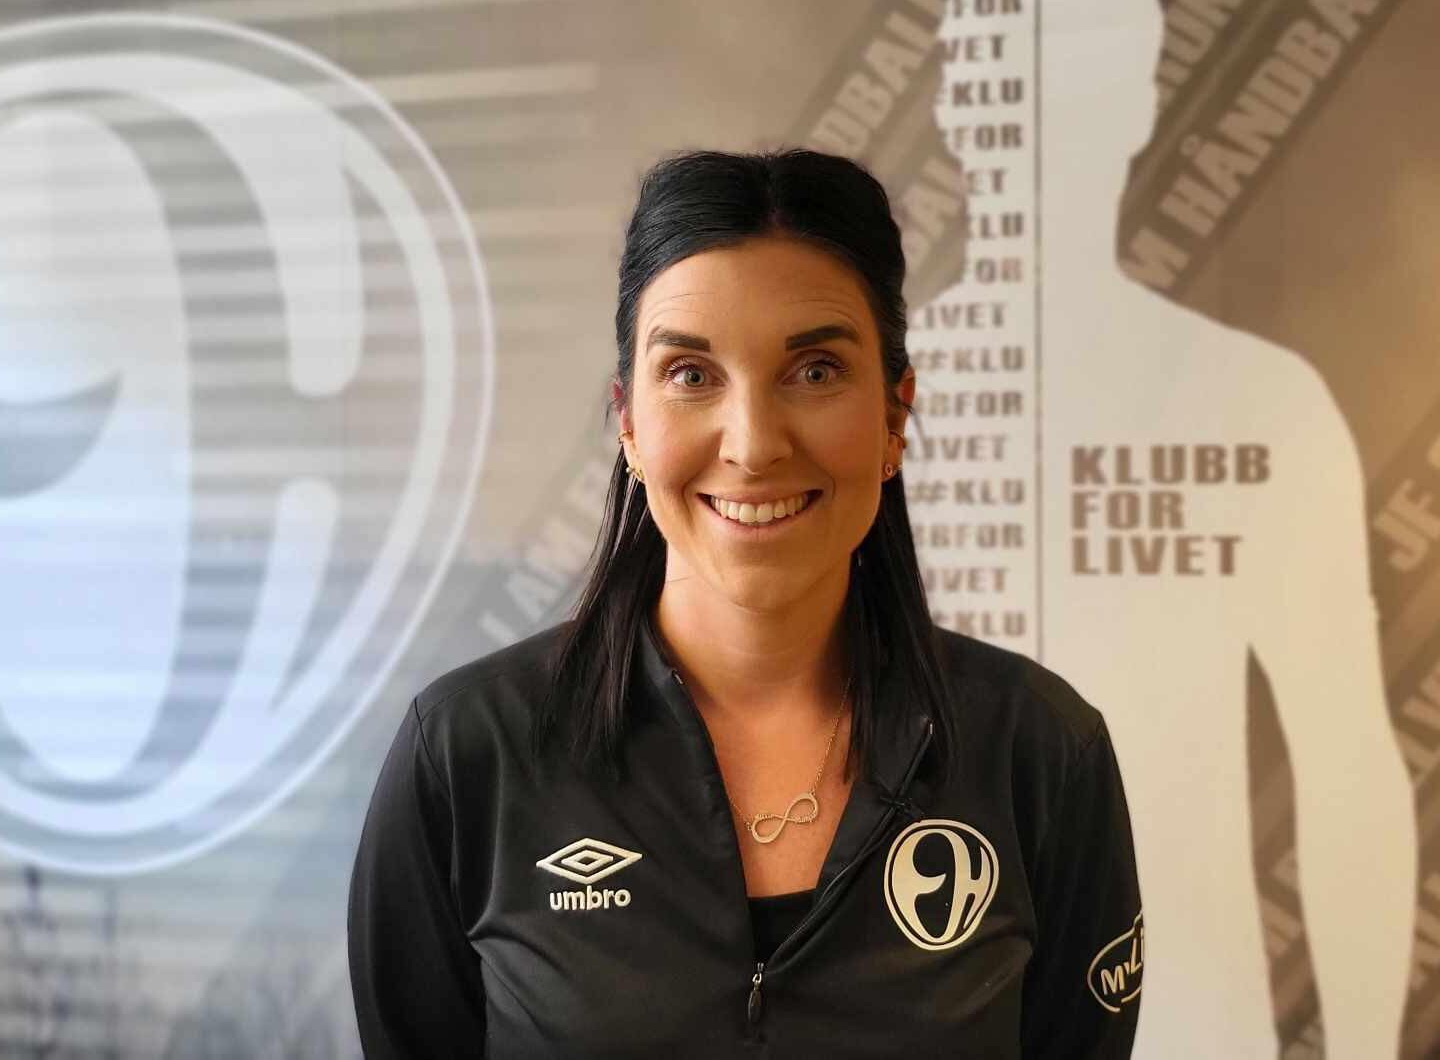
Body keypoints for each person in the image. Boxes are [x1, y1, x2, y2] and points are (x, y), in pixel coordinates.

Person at [347, 147, 1143, 1058]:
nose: (754, 444)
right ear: (629, 422)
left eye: (816, 371)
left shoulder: (1040, 754)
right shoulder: (468, 755)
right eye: (691, 374)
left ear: (894, 416)